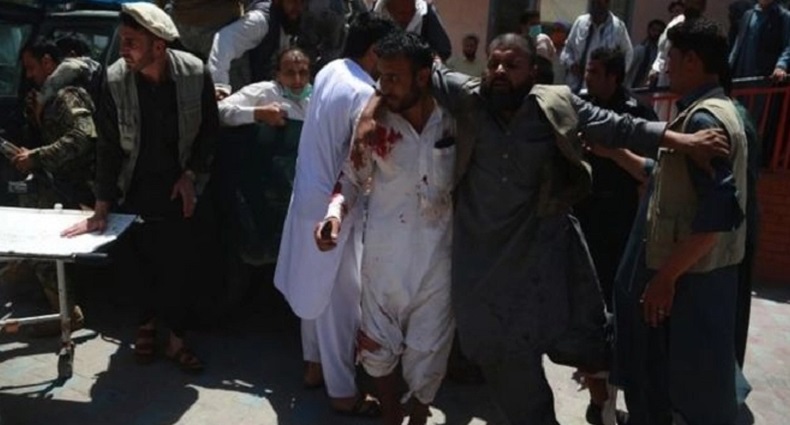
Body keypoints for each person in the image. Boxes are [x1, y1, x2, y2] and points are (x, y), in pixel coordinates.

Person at [357, 31, 728, 425]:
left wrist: (682, 141)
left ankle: (602, 406)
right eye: (494, 63)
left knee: (589, 340)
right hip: (484, 264)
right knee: (505, 367)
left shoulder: (556, 104)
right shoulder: (468, 97)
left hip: (545, 252)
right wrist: (368, 113)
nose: (500, 71)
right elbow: (404, 73)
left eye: (512, 64)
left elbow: (619, 127)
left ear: (533, 71)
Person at [62, 2, 218, 373]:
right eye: (122, 41)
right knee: (136, 264)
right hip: (132, 186)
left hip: (179, 187)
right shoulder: (115, 79)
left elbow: (209, 132)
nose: (123, 50)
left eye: (131, 42)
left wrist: (191, 175)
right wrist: (102, 207)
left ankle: (177, 340)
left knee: (179, 264)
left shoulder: (195, 73)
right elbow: (108, 146)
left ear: (158, 47)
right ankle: (145, 325)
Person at [611, 18, 750, 424]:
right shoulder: (706, 113)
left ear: (691, 60)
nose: (665, 66)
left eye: (670, 56)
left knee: (673, 388)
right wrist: (613, 152)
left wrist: (665, 279)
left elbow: (717, 216)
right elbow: (662, 176)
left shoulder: (705, 121)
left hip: (689, 283)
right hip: (694, 277)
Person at [316, 31, 455, 425]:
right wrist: (334, 216)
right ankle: (392, 417)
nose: (382, 87)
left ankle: (419, 415)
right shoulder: (374, 127)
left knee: (429, 354)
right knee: (377, 351)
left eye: (394, 78)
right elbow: (350, 178)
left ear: (423, 77)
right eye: (380, 76)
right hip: (383, 260)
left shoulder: (455, 121)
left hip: (438, 263)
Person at [273, 13, 398, 416]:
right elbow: (362, 162)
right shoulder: (363, 92)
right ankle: (342, 391)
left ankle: (314, 366)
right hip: (335, 207)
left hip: (308, 196)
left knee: (312, 289)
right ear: (375, 51)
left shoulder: (331, 70)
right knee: (339, 302)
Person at [576, 46, 658, 425]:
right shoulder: (582, 107)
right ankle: (600, 403)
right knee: (587, 319)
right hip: (583, 223)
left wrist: (613, 153)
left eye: (594, 72)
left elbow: (650, 176)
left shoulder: (638, 114)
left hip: (622, 230)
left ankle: (608, 402)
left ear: (614, 77)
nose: (587, 78)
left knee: (619, 320)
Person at [12, 37, 98, 334]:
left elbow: (83, 137)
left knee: (37, 237)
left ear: (48, 62)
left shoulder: (68, 95)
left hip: (81, 187)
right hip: (61, 182)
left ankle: (67, 312)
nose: (29, 76)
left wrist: (37, 157)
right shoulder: (47, 97)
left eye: (32, 68)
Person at [218, 47, 312, 264]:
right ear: (277, 74)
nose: (297, 80)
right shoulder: (263, 92)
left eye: (303, 73)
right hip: (265, 187)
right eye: (290, 73)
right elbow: (220, 111)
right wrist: (257, 114)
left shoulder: (318, 99)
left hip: (299, 191)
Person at [208, 0, 307, 98]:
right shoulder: (259, 22)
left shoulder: (290, 21)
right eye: (292, 1)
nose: (297, 7)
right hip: (241, 91)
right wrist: (219, 86)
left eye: (302, 2)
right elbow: (224, 39)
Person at [560, 0, 633, 92]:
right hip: (574, 87)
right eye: (593, 2)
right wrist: (571, 64)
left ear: (607, 3)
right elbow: (567, 49)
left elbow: (628, 54)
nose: (595, 6)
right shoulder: (580, 22)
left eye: (598, 3)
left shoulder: (618, 27)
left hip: (601, 90)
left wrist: (615, 78)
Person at [729, 0, 790, 81]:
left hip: (766, 79)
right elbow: (736, 48)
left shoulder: (784, 17)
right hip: (741, 79)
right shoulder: (748, 15)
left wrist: (781, 66)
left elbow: (788, 47)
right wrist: (728, 67)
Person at [371, 0, 452, 61]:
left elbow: (443, 50)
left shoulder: (425, 14)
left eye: (412, 12)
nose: (408, 17)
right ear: (389, 9)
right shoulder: (376, 17)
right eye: (402, 13)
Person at [520, 9, 558, 84]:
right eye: (533, 24)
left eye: (538, 24)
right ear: (523, 26)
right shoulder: (518, 42)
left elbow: (552, 56)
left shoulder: (544, 39)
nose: (536, 27)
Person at [625, 19, 665, 88]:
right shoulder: (639, 50)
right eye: (654, 30)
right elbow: (627, 69)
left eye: (660, 31)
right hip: (632, 88)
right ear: (649, 30)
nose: (657, 33)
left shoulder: (661, 53)